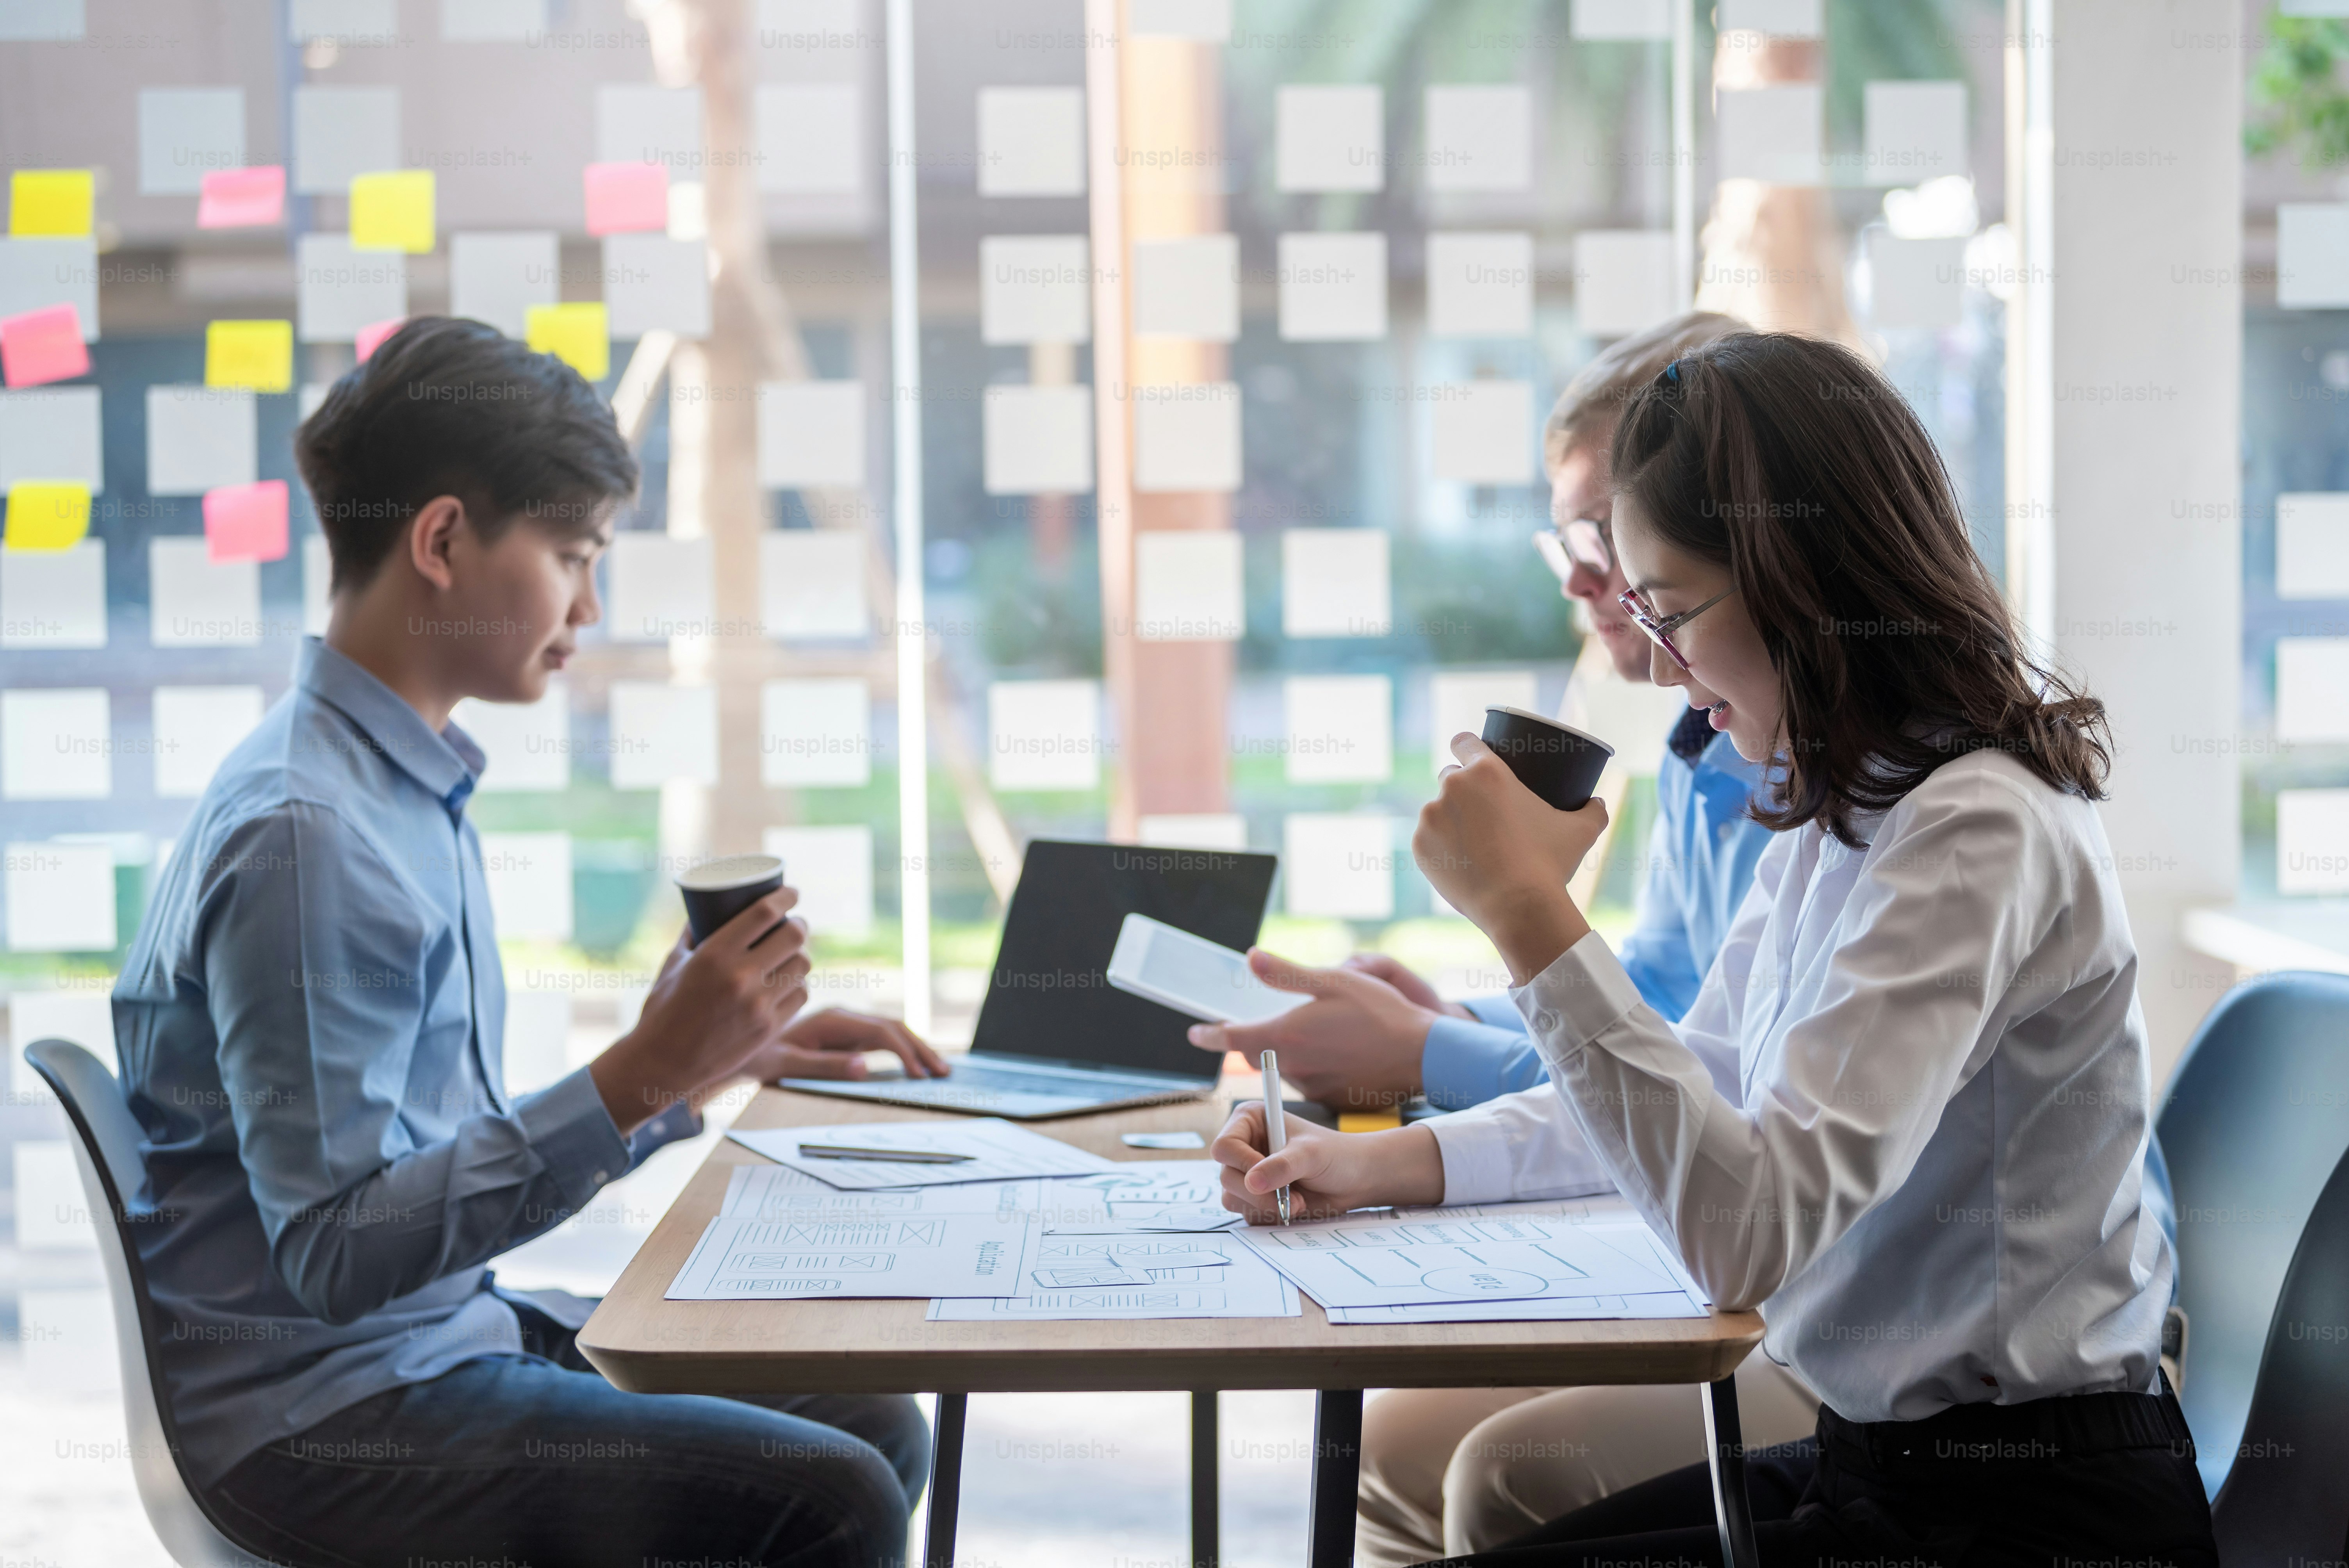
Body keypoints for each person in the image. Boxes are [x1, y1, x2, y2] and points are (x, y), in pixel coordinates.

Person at [1214, 332, 2217, 1565]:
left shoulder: (1974, 826)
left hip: (2034, 1510)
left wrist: (1531, 918)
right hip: (1882, 1463)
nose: (1674, 674)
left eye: (1675, 612)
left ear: (1807, 578)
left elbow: (1749, 1236)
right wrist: (1377, 1164)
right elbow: (1697, 1084)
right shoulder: (1845, 803)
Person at [112, 317, 949, 1568]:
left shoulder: (390, 786)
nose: (591, 607)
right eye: (572, 556)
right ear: (442, 540)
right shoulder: (312, 836)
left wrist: (707, 1058)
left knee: (874, 1424)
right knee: (827, 1501)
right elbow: (337, 1252)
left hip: (418, 1345)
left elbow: (400, 1169)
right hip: (328, 1419)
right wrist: (646, 1075)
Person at [1182, 312, 1819, 1565]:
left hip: (1862, 1335)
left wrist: (1451, 1014)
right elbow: (1675, 1022)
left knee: (1499, 1481)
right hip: (1792, 1292)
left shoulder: (1863, 804)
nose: (1594, 588)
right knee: (1394, 1447)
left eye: (1621, 555)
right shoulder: (1730, 758)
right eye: (1576, 542)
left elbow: (1698, 1116)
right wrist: (1434, 1056)